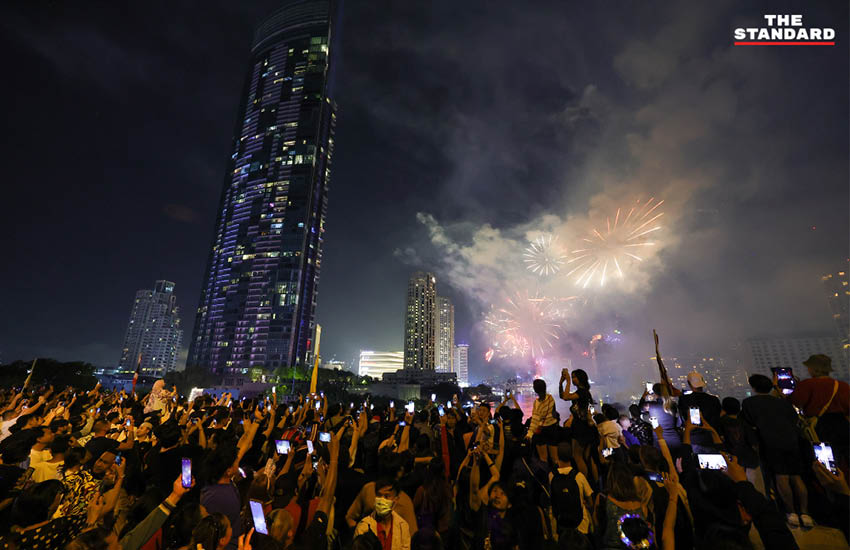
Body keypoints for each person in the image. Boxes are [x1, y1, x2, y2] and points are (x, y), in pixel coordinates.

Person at [742, 374, 812, 528]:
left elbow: (748, 425)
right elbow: (794, 420)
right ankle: (805, 513)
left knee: (782, 477)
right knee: (796, 476)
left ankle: (791, 512)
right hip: (792, 442)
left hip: (771, 442)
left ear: (753, 388)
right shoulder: (782, 403)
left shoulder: (749, 403)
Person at [788, 354, 850, 471]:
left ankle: (832, 484)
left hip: (820, 427)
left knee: (827, 463)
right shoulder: (843, 386)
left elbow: (795, 402)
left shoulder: (807, 384)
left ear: (813, 368)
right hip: (843, 425)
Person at [559, 368, 598, 481]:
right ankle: (594, 483)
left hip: (581, 428)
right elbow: (563, 396)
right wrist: (561, 382)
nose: (572, 379)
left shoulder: (582, 392)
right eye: (572, 377)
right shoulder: (583, 392)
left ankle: (583, 482)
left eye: (574, 377)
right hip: (585, 427)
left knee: (578, 457)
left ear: (581, 378)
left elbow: (566, 397)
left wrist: (568, 382)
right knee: (588, 457)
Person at [549, 441, 594, 535]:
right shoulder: (579, 476)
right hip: (580, 524)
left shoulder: (551, 476)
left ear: (557, 456)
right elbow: (591, 502)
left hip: (560, 524)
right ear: (571, 455)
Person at [354, 478, 412, 550]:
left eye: (387, 496)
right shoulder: (363, 526)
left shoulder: (402, 527)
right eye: (379, 495)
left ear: (396, 500)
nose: (382, 500)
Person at [677, 372, 722, 454]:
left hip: (694, 438)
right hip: (712, 436)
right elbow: (717, 418)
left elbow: (683, 418)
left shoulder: (684, 399)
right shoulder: (714, 399)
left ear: (689, 383)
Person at [527, 378, 559, 464]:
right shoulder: (550, 398)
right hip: (552, 429)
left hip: (541, 431)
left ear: (535, 389)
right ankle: (558, 475)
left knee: (543, 459)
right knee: (555, 458)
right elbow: (554, 414)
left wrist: (530, 433)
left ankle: (546, 476)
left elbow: (535, 420)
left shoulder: (536, 403)